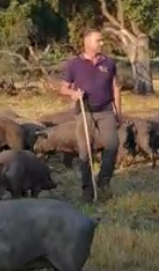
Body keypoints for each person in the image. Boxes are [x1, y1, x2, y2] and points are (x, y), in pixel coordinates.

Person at [60, 29, 122, 203]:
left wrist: (119, 112)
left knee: (112, 145)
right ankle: (87, 188)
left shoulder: (109, 63)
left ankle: (104, 181)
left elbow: (115, 88)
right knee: (85, 152)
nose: (102, 43)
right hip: (84, 112)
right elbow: (63, 87)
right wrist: (72, 94)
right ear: (87, 42)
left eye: (102, 41)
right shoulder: (74, 64)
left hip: (106, 110)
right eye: (98, 41)